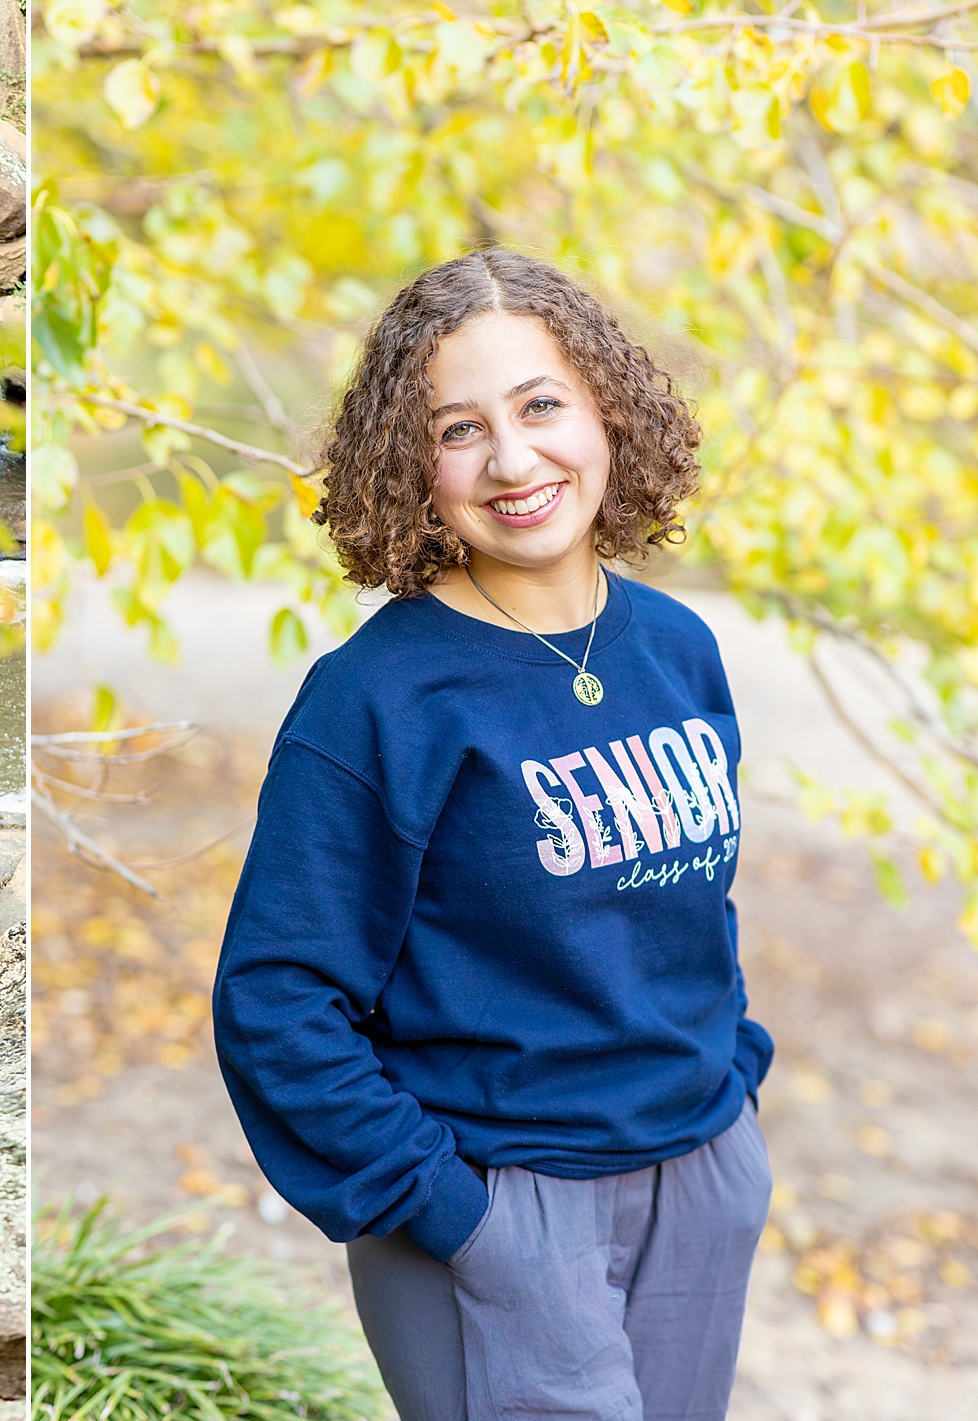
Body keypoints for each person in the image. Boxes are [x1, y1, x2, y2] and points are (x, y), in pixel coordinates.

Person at [211, 249, 774, 1421]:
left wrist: (733, 1092)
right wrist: (455, 1211)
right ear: (411, 464)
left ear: (604, 410)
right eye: (457, 428)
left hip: (698, 1171)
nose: (512, 460)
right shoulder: (377, 699)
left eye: (539, 405)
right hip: (495, 1200)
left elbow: (687, 909)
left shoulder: (677, 648)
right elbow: (277, 999)